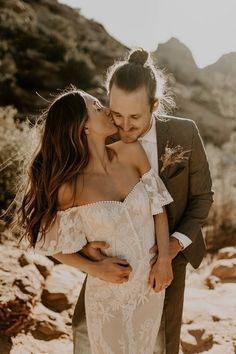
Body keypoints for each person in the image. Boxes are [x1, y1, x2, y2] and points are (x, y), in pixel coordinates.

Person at [72, 49, 214, 354]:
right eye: (117, 114)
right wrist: (86, 249)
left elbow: (203, 196)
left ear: (155, 105)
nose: (123, 126)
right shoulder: (101, 137)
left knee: (162, 340)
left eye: (135, 117)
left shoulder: (183, 133)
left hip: (167, 261)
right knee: (88, 332)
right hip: (114, 260)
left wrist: (172, 246)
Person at [16, 87, 174, 354]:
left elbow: (158, 208)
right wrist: (95, 269)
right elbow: (50, 244)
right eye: (97, 107)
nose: (107, 110)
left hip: (150, 286)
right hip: (108, 294)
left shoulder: (131, 152)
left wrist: (164, 260)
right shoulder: (70, 187)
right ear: (84, 126)